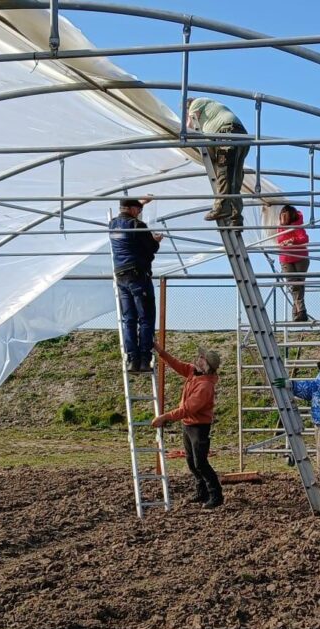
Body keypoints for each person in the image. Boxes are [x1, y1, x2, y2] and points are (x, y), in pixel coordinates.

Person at [273, 340, 320, 514]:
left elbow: (316, 386)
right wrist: (293, 389)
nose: (319, 351)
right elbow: (311, 392)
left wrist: (291, 384)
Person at [151, 342, 224, 509]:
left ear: (206, 366)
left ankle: (216, 495)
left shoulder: (205, 386)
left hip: (199, 427)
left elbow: (187, 409)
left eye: (201, 358)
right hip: (189, 425)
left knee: (201, 463)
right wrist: (159, 350)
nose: (198, 359)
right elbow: (176, 364)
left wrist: (164, 417)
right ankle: (202, 492)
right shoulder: (193, 371)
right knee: (191, 461)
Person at [109, 196, 161, 372]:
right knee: (145, 317)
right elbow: (151, 248)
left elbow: (128, 229)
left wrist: (140, 203)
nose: (140, 213)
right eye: (138, 210)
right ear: (131, 209)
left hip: (121, 275)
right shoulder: (138, 226)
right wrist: (156, 241)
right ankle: (145, 359)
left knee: (129, 319)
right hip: (138, 275)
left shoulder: (112, 224)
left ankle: (132, 360)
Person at [186, 97, 249, 223]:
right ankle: (236, 218)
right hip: (240, 134)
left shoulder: (196, 103)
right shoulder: (211, 106)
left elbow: (189, 126)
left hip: (227, 132)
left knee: (223, 171)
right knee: (234, 178)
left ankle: (221, 208)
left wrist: (182, 137)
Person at [277, 205, 310, 322]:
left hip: (300, 258)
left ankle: (298, 314)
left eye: (285, 216)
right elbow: (279, 240)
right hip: (285, 259)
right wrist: (284, 242)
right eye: (282, 215)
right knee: (295, 286)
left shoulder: (297, 225)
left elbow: (304, 238)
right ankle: (301, 312)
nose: (283, 218)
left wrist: (293, 240)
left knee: (297, 286)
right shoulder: (279, 227)